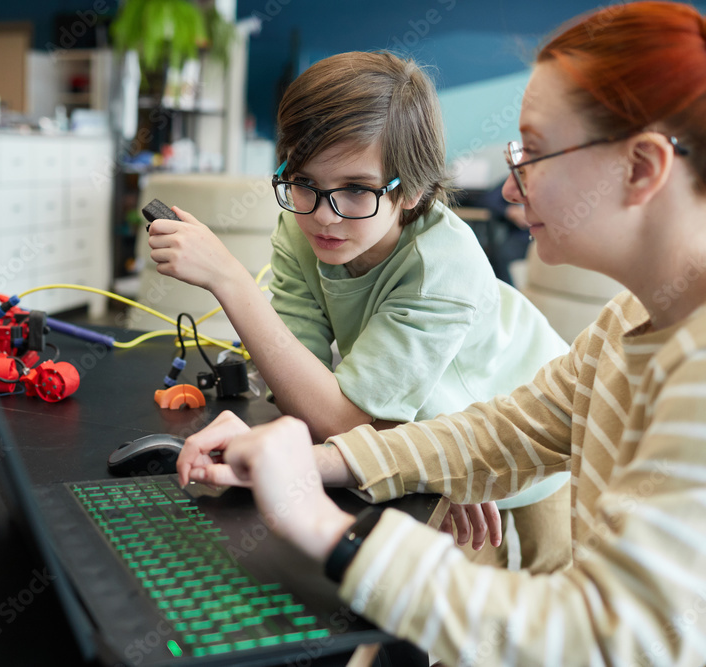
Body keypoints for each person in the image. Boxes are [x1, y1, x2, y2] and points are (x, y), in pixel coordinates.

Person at [175, 2, 706, 664]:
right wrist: (297, 461)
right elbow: (497, 433)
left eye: (535, 153)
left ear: (642, 168)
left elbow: (603, 637)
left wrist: (323, 525)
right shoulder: (624, 323)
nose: (511, 190)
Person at [147, 51, 570, 570]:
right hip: (418, 442)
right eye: (302, 182)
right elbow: (298, 384)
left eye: (355, 189)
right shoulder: (304, 228)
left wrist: (229, 280)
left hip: (522, 443)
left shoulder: (440, 266)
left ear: (412, 188)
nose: (324, 215)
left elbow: (339, 419)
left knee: (520, 612)